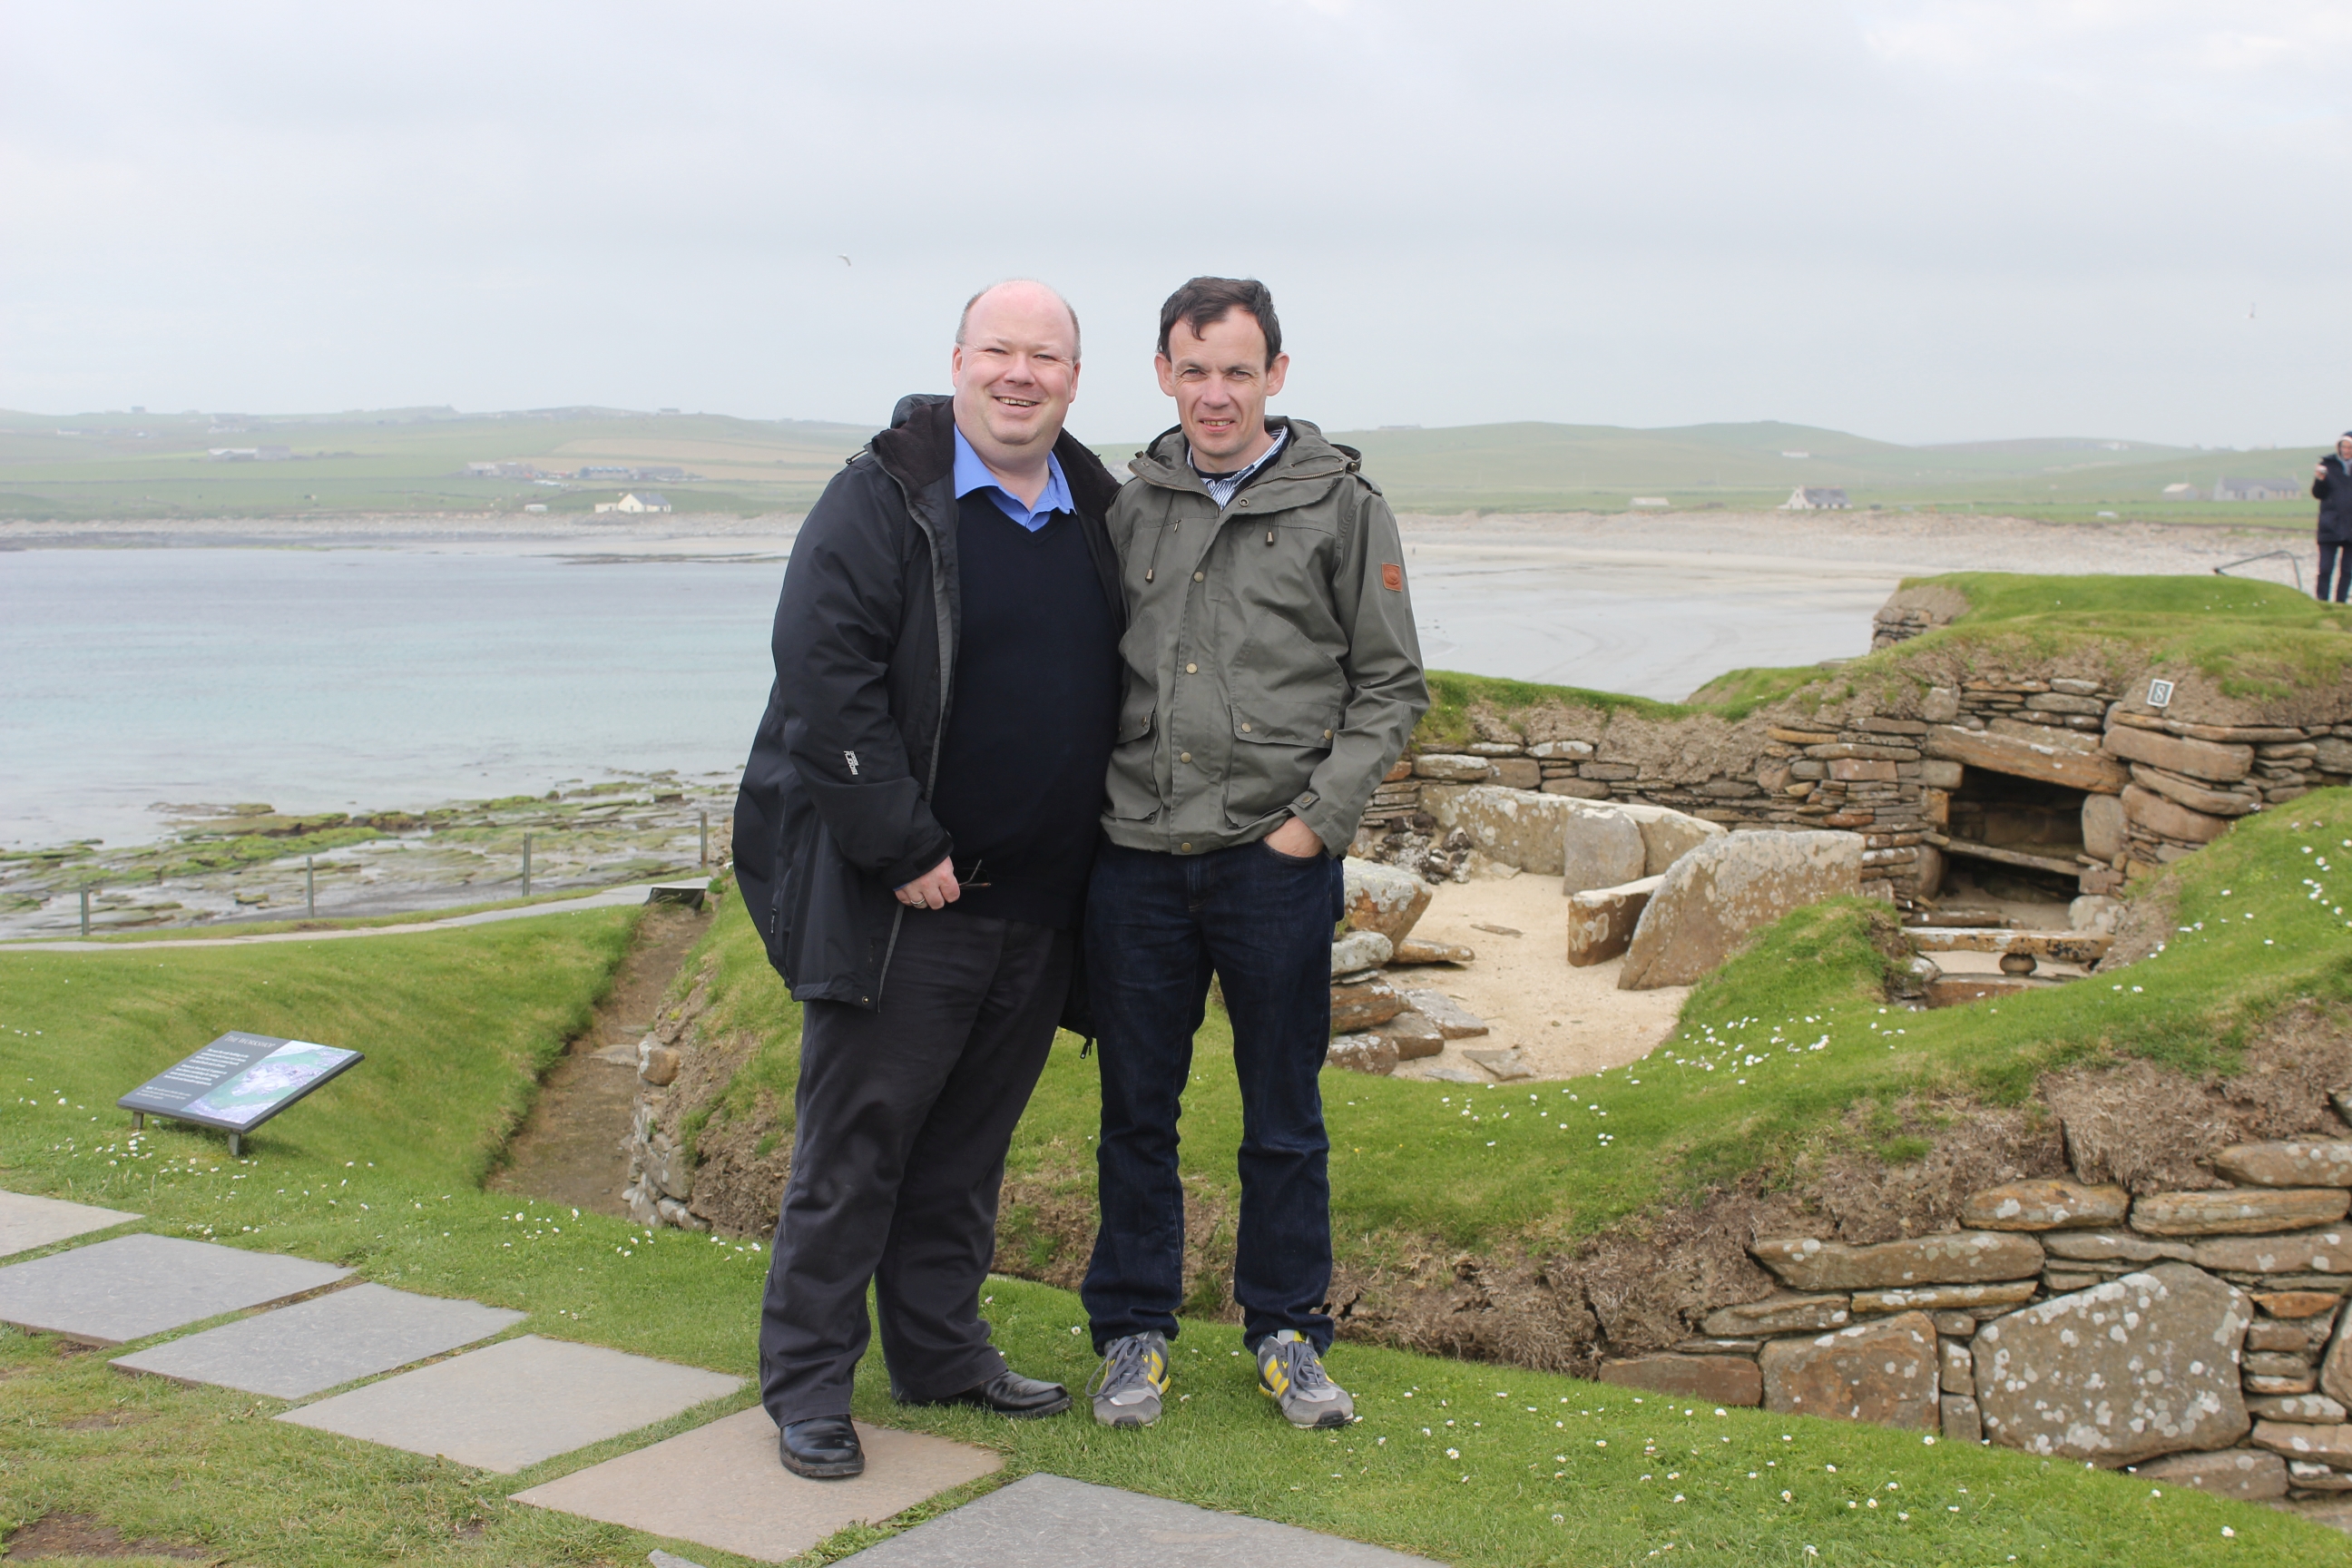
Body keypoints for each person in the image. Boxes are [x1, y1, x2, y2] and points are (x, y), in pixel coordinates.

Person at [731, 279, 1124, 1479]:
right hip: (910, 900)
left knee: (964, 1155)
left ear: (1073, 379)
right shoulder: (880, 497)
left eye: (1044, 357)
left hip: (1039, 906)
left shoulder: (1098, 508)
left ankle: (940, 1353)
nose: (1020, 374)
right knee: (854, 1151)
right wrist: (900, 846)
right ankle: (809, 1386)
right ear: (958, 362)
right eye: (998, 350)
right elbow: (823, 675)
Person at [1080, 277, 1427, 1431]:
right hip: (1135, 860)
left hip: (1272, 864)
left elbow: (1391, 686)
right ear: (1164, 375)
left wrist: (1311, 826)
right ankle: (1132, 1334)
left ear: (1276, 374)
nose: (1216, 393)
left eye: (1238, 370)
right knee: (1136, 1115)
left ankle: (1287, 1335)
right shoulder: (1129, 503)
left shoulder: (1344, 506)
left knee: (1283, 1115)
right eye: (1194, 370)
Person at [2312, 433, 2352, 603]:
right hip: (2330, 525)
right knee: (2325, 569)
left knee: (2348, 571)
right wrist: (2319, 480)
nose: (2346, 451)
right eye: (2344, 447)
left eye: (2350, 448)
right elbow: (2317, 494)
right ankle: (2322, 602)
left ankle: (2340, 603)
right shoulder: (2328, 466)